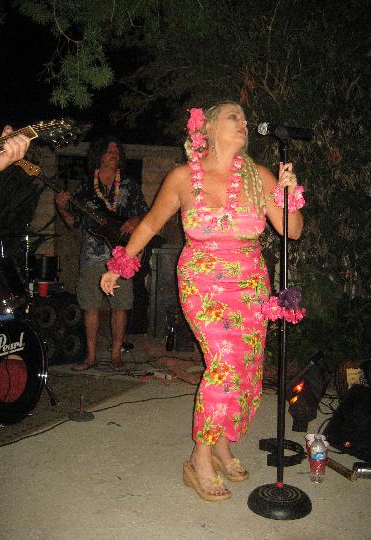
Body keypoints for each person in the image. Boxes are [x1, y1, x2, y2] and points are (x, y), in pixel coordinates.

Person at [100, 102, 304, 500]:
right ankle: (200, 457)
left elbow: (291, 231)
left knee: (245, 371)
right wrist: (121, 264)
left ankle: (223, 443)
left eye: (245, 119)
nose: (243, 123)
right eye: (233, 117)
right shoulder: (182, 177)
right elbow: (151, 223)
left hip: (250, 284)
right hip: (203, 282)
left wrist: (287, 194)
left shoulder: (259, 176)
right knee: (225, 364)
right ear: (207, 127)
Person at [55, 136, 149, 371]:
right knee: (90, 305)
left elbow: (147, 214)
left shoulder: (129, 185)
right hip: (92, 255)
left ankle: (116, 356)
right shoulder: (86, 187)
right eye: (109, 150)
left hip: (123, 254)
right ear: (99, 155)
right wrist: (61, 207)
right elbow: (73, 223)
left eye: (117, 150)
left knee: (121, 304)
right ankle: (90, 356)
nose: (114, 153)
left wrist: (134, 221)